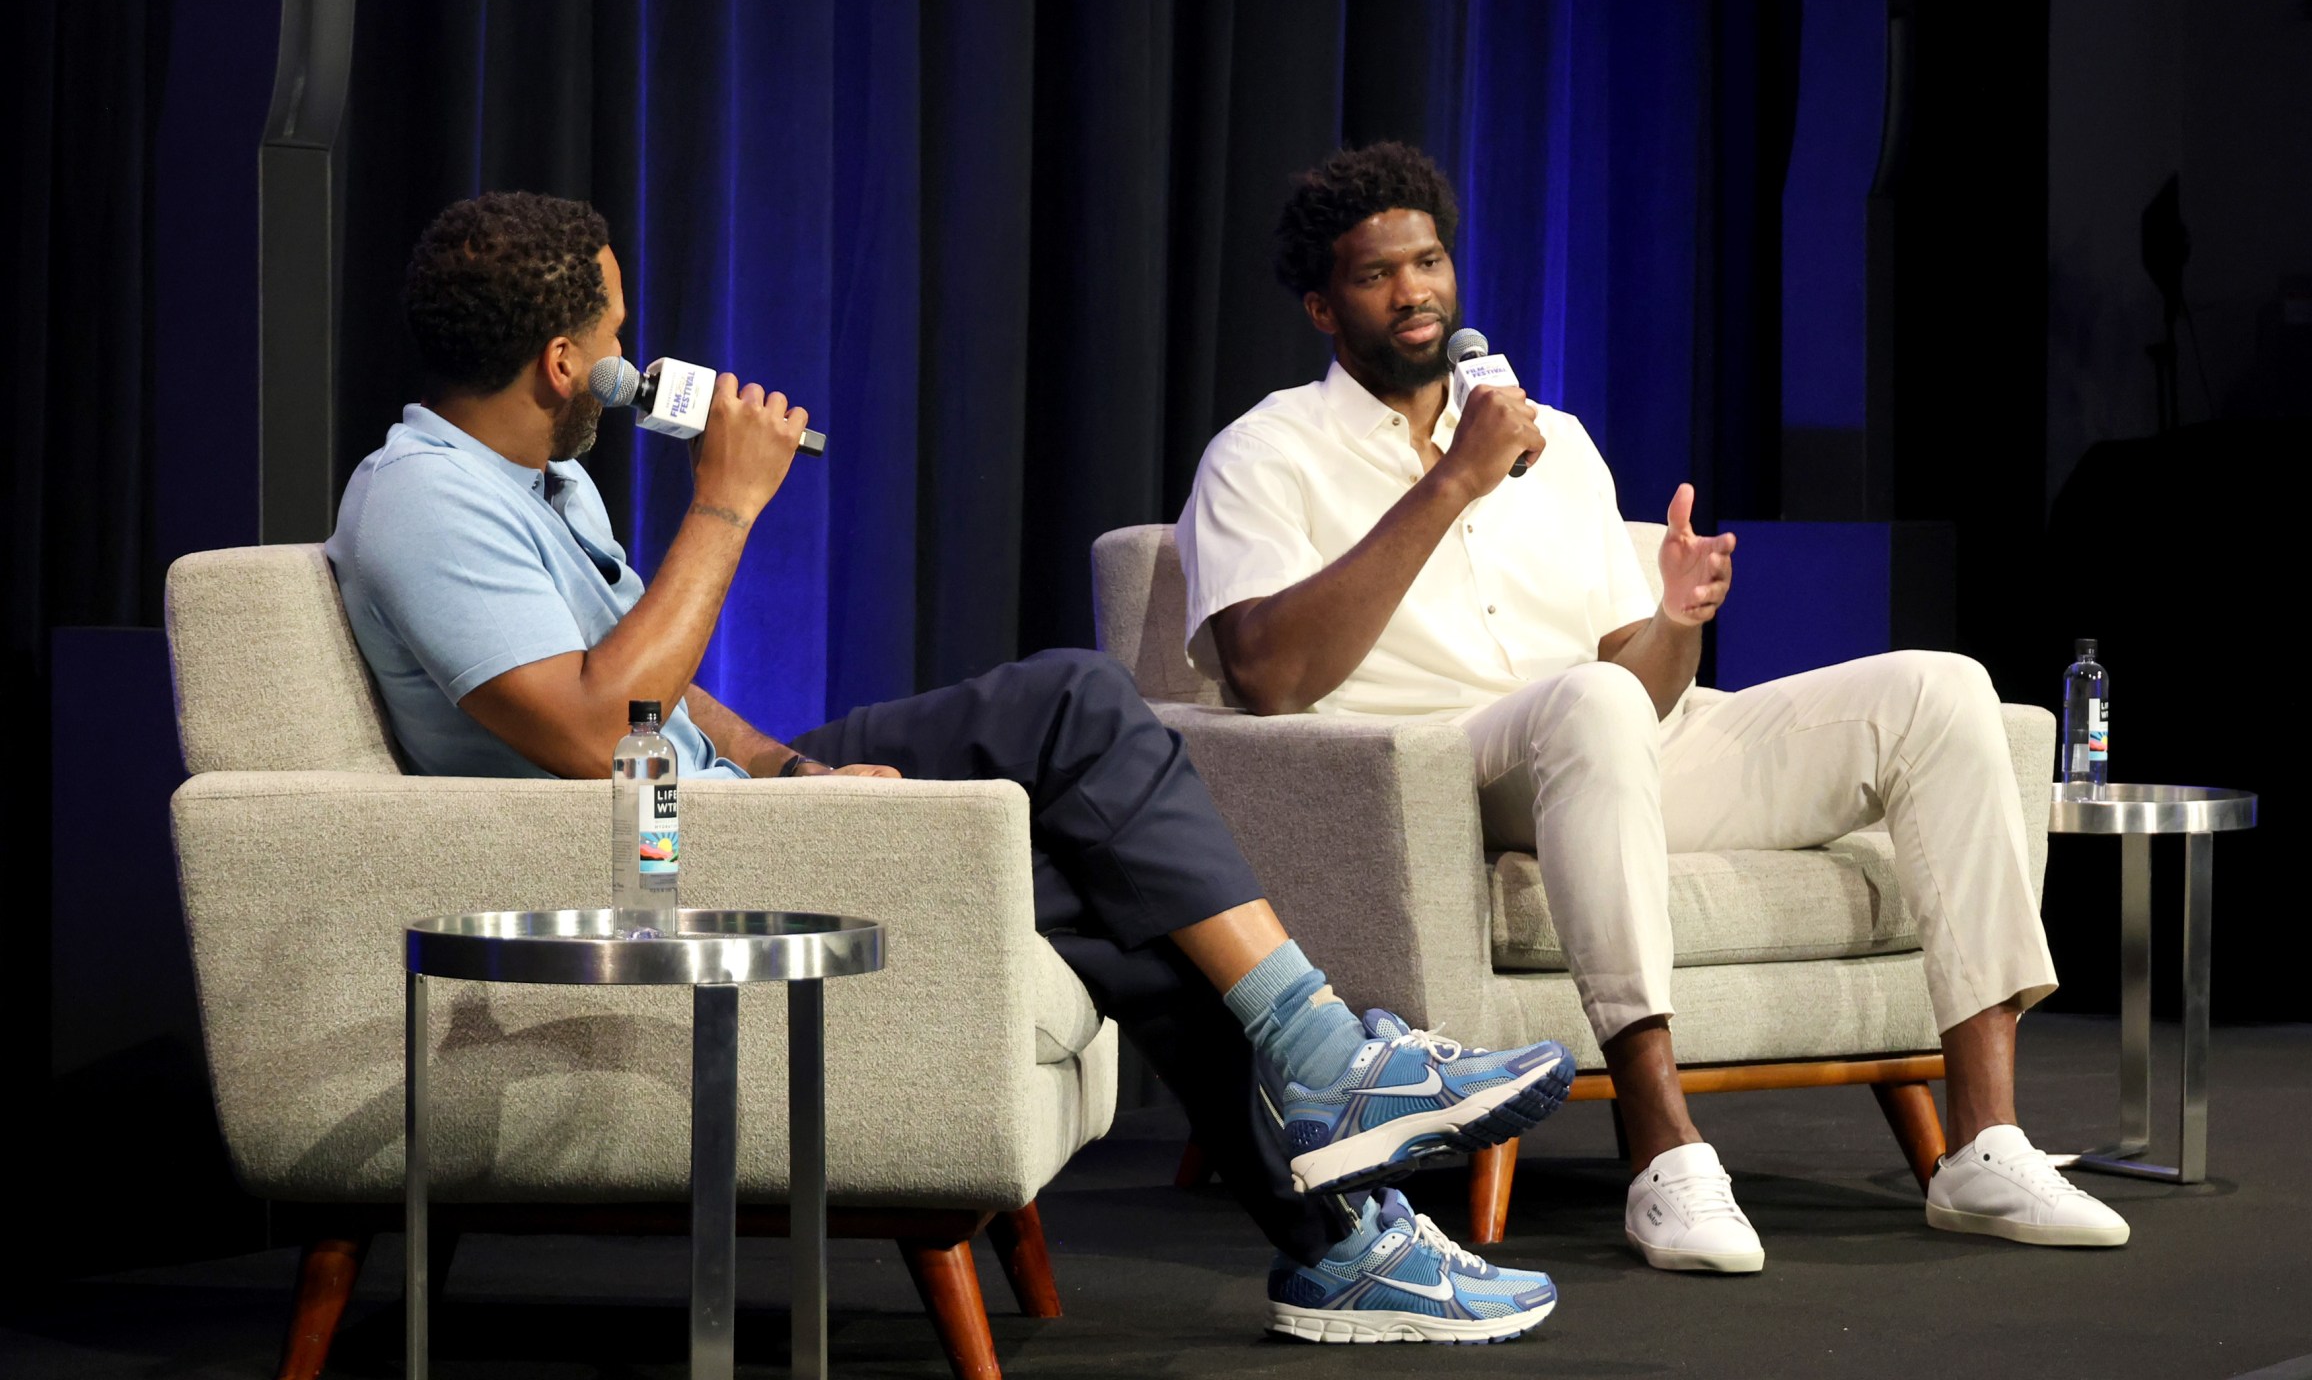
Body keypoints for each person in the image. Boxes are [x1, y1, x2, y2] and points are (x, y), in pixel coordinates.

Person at [327, 191, 1573, 1343]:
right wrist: (725, 505)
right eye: (616, 326)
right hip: (653, 857)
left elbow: (663, 683)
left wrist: (787, 772)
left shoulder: (542, 484)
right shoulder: (425, 504)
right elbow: (600, 731)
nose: (630, 347)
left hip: (723, 803)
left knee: (1092, 761)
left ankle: (1333, 1197)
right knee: (1088, 757)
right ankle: (1330, 1141)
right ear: (563, 363)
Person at [1175, 143, 2131, 1275]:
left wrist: (1676, 621)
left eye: (1428, 260)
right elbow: (1266, 676)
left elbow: (1637, 683)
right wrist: (1452, 482)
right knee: (1587, 702)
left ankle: (1982, 1142)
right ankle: (1663, 1153)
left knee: (1939, 687)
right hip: (1437, 773)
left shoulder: (1556, 444)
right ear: (1325, 307)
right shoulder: (1266, 452)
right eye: (1380, 275)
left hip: (1606, 746)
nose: (1416, 290)